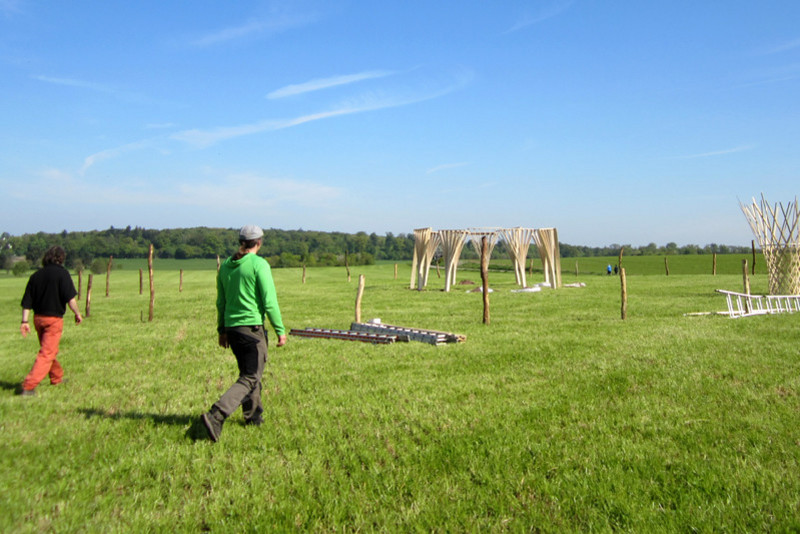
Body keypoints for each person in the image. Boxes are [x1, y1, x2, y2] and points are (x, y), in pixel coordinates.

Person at [201, 225, 287, 442]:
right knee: (250, 376)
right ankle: (216, 415)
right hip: (252, 330)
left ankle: (253, 417)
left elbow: (221, 302)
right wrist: (280, 330)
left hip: (233, 330)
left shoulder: (227, 266)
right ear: (259, 242)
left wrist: (221, 330)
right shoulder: (259, 264)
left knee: (250, 373)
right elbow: (269, 301)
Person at [19, 245, 83, 396]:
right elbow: (70, 299)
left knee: (49, 351)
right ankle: (28, 386)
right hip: (53, 320)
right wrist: (78, 313)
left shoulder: (36, 276)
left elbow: (27, 301)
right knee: (47, 353)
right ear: (61, 258)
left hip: (38, 319)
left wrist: (24, 321)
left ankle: (56, 378)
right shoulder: (62, 274)